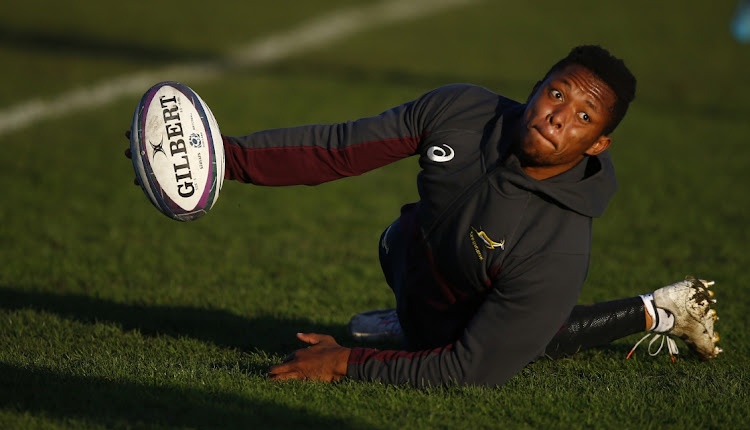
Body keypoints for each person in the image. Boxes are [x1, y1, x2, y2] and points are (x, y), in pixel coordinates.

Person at [126, 45, 721, 387]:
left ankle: (657, 311)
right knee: (396, 240)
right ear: (536, 87)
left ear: (597, 145)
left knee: (515, 338)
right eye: (557, 93)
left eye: (584, 117)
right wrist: (223, 158)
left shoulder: (559, 244)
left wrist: (344, 362)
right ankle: (415, 321)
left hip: (471, 315)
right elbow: (339, 147)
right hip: (424, 253)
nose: (560, 116)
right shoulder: (464, 110)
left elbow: (471, 370)